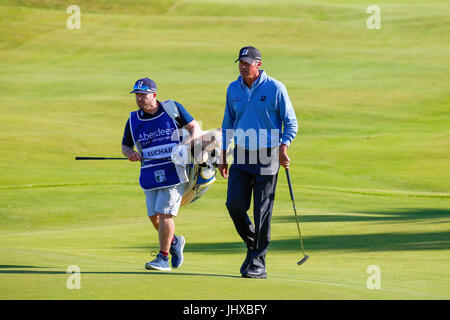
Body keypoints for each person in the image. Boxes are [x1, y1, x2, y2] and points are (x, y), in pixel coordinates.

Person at [219, 46, 298, 278]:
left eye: (247, 62)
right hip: (242, 154)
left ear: (258, 64)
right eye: (240, 62)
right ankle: (254, 247)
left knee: (262, 210)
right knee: (234, 204)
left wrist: (284, 147)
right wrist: (224, 154)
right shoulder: (233, 88)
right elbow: (228, 124)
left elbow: (290, 122)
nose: (243, 66)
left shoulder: (275, 88)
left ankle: (258, 262)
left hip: (268, 154)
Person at [122, 77, 200, 271]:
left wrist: (187, 147)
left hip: (174, 171)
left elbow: (194, 128)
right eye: (137, 95)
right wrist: (130, 153)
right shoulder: (133, 119)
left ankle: (163, 258)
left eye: (143, 95)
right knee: (154, 215)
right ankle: (174, 241)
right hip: (150, 173)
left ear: (154, 95)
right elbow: (125, 145)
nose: (139, 99)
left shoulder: (172, 108)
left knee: (165, 214)